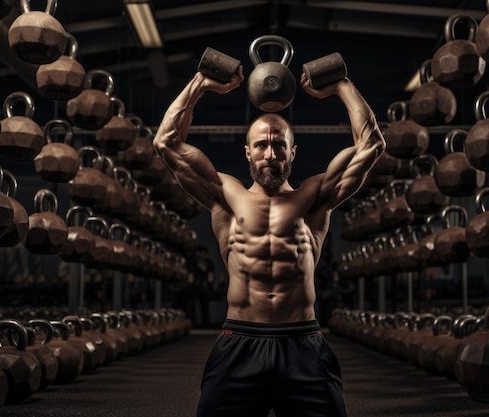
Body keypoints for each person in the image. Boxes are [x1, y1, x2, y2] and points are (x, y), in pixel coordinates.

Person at [153, 60, 385, 417]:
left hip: (303, 344)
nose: (270, 155)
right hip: (238, 344)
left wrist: (341, 85)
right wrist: (201, 82)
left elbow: (371, 145)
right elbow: (165, 142)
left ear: (293, 152)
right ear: (248, 152)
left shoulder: (314, 198)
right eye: (261, 145)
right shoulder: (225, 196)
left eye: (279, 146)